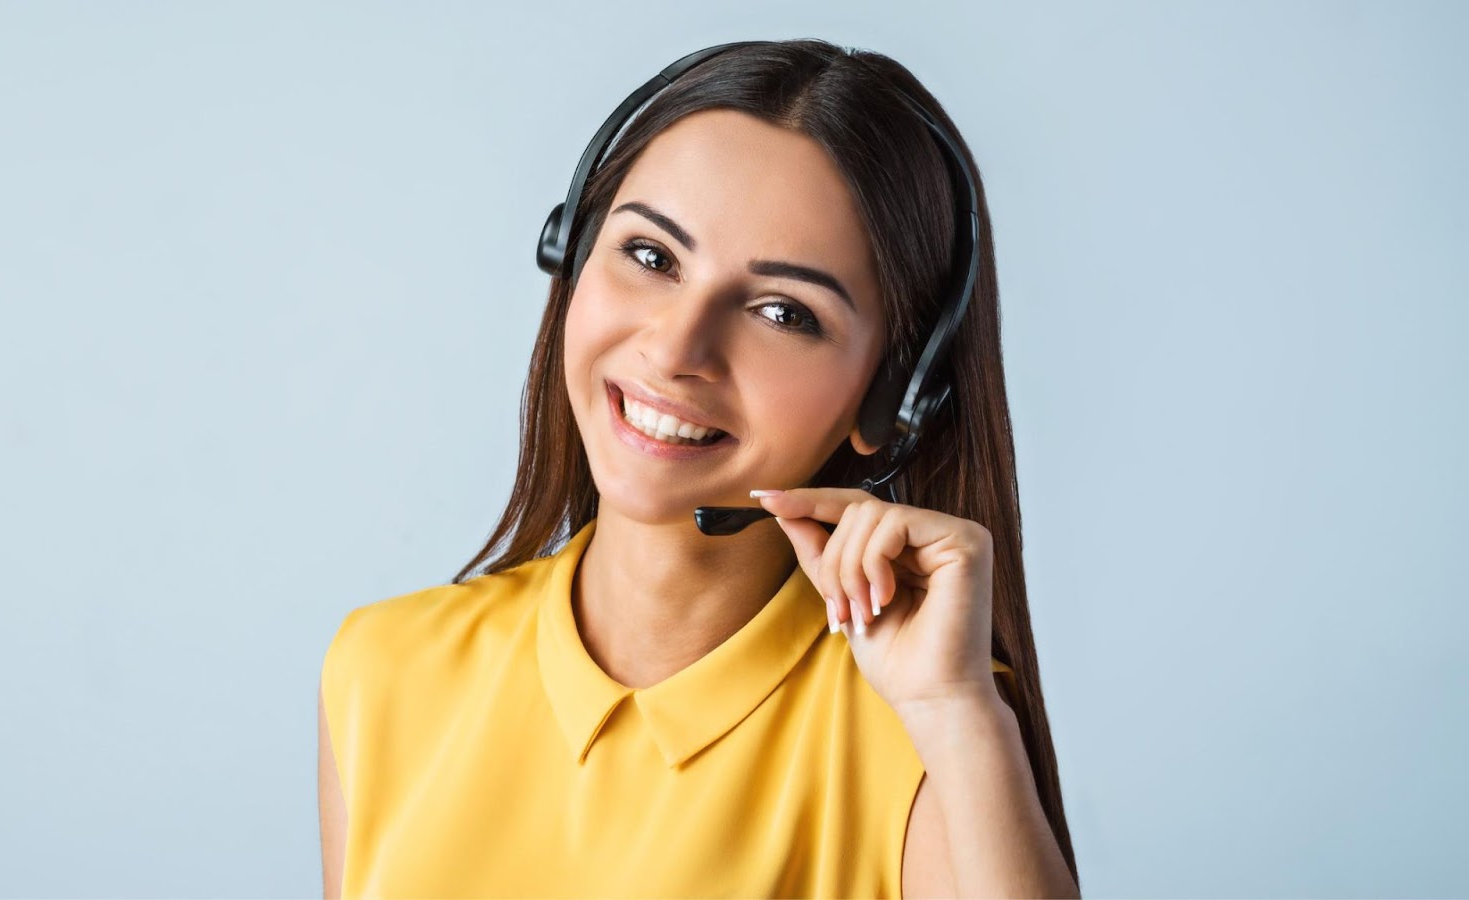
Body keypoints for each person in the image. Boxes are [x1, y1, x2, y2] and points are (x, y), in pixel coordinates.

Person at [318, 38, 1080, 898]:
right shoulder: (386, 668)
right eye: (651, 257)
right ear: (570, 251)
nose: (677, 349)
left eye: (784, 312)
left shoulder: (928, 723)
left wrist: (956, 717)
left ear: (893, 398)